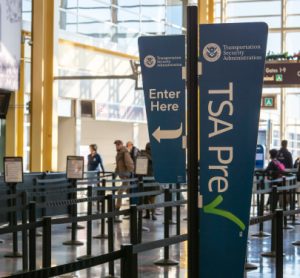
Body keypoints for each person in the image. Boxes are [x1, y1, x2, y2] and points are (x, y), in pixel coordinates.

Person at [114, 140, 134, 210]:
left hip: (126, 176)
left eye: (118, 144)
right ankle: (134, 207)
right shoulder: (119, 153)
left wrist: (130, 173)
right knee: (128, 192)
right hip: (123, 176)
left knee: (120, 192)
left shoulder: (125, 152)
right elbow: (118, 166)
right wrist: (115, 174)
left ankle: (117, 207)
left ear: (122, 145)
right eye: (116, 145)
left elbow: (129, 163)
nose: (117, 146)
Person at [142, 142, 159, 220]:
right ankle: (153, 214)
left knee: (146, 198)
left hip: (145, 179)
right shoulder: (154, 156)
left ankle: (148, 213)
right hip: (153, 179)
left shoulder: (143, 156)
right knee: (152, 198)